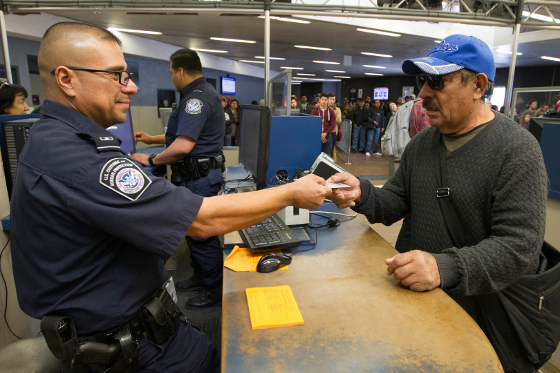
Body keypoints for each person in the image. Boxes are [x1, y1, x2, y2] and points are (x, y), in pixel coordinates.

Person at [10, 22, 332, 373]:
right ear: (67, 79)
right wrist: (290, 193)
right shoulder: (79, 159)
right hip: (133, 347)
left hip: (117, 327)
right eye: (117, 76)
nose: (131, 87)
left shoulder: (51, 139)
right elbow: (203, 220)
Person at [328, 34, 548, 373]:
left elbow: (519, 248)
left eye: (436, 82)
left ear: (478, 85)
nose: (422, 94)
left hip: (483, 320)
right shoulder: (424, 144)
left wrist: (444, 267)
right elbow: (396, 201)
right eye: (422, 81)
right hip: (422, 307)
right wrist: (361, 192)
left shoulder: (517, 151)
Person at [132, 48, 229, 310]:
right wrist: (151, 140)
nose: (172, 77)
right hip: (196, 176)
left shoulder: (195, 99)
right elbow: (182, 135)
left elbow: (184, 147)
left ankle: (214, 288)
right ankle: (202, 278)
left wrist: (151, 160)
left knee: (202, 236)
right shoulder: (200, 94)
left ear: (181, 71)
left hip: (197, 178)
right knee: (195, 234)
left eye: (172, 72)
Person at [310, 93, 336, 157]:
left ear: (327, 101)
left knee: (328, 155)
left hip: (327, 135)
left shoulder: (331, 112)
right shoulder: (314, 111)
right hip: (317, 135)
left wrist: (325, 133)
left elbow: (332, 124)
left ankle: (327, 167)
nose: (324, 101)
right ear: (320, 100)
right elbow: (312, 124)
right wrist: (320, 135)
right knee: (316, 154)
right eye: (322, 99)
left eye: (325, 99)